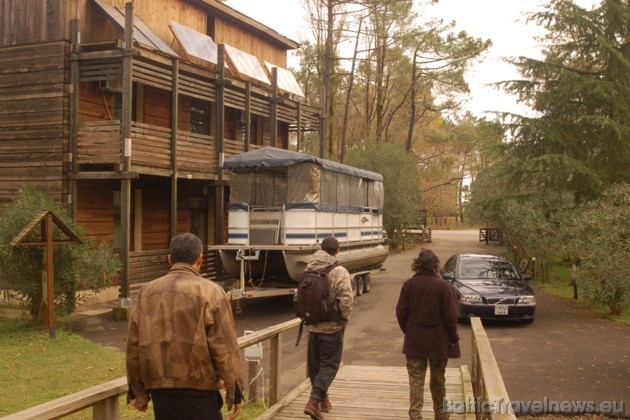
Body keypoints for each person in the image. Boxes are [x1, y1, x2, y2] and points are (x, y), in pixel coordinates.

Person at [126, 233, 244, 420]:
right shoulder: (212, 292)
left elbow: (133, 348)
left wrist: (137, 392)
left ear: (170, 259)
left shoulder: (145, 293)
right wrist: (234, 391)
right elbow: (226, 348)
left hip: (161, 393)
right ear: (200, 260)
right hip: (201, 390)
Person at [396, 249, 460, 420]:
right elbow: (450, 316)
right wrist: (453, 337)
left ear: (418, 264)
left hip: (415, 341)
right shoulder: (444, 286)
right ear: (436, 265)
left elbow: (401, 312)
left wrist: (409, 331)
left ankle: (415, 415)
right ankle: (440, 413)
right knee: (438, 379)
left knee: (416, 381)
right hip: (438, 343)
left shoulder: (409, 285)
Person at [303, 236, 354, 420]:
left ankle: (323, 401)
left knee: (316, 367)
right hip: (332, 328)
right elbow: (346, 300)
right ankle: (313, 401)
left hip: (312, 326)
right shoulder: (339, 271)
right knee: (329, 366)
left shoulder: (309, 268)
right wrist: (343, 320)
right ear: (337, 251)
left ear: (321, 249)